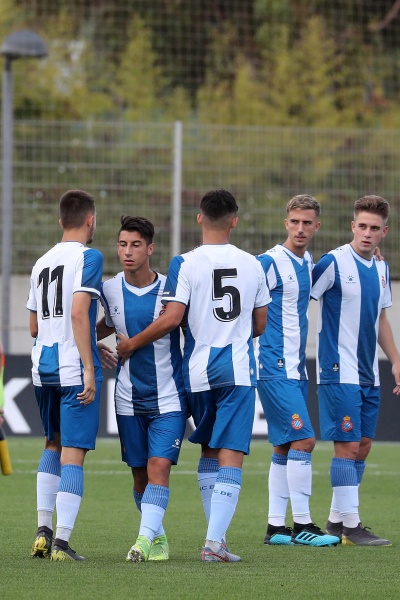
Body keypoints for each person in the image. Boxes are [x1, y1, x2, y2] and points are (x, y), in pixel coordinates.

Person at [116, 189, 270, 562]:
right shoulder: (253, 265)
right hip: (235, 370)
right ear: (234, 220)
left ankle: (216, 541)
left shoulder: (184, 263)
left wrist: (130, 343)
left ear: (199, 218)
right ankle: (214, 543)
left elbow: (172, 318)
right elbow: (260, 324)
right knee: (231, 454)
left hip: (197, 372)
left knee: (209, 450)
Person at [311, 194, 400, 546]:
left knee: (363, 446)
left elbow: (381, 317)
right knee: (347, 446)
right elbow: (298, 295)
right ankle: (352, 525)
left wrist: (395, 360)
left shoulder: (381, 269)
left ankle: (337, 520)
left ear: (384, 232)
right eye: (362, 226)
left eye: (374, 228)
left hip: (368, 372)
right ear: (353, 226)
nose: (367, 233)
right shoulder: (332, 263)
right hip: (338, 370)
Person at [96, 216, 187, 562]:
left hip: (169, 397)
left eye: (135, 245)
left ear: (150, 248)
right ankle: (158, 538)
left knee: (158, 467)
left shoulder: (171, 289)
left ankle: (143, 542)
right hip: (127, 399)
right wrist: (94, 344)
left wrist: (131, 344)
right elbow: (102, 326)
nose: (128, 252)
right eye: (122, 244)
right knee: (138, 476)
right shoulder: (109, 289)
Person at [257, 195, 340, 547]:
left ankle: (276, 527)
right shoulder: (269, 262)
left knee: (284, 445)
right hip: (272, 365)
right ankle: (304, 524)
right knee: (305, 440)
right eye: (295, 222)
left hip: (295, 367)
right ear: (285, 223)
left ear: (316, 226)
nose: (301, 228)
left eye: (307, 223)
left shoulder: (307, 262)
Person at [27, 190, 104, 561]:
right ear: (91, 220)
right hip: (73, 369)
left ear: (61, 222)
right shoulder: (90, 256)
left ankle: (42, 530)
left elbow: (32, 326)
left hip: (43, 368)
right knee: (74, 454)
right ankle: (61, 542)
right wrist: (89, 366)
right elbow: (78, 313)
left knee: (51, 445)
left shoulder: (41, 262)